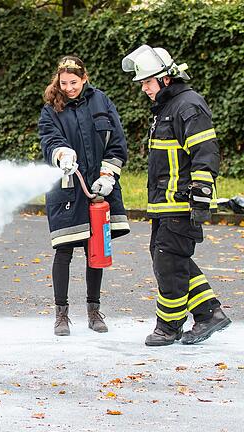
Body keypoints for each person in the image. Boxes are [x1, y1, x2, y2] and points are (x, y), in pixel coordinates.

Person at [122, 45, 231, 346]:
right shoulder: (166, 109)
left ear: (166, 79)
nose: (144, 88)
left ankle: (169, 327)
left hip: (180, 203)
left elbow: (205, 152)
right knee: (170, 260)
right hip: (163, 203)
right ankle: (210, 314)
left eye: (147, 82)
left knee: (169, 262)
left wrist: (200, 194)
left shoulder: (188, 106)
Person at [38, 55, 130, 336]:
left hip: (100, 188)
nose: (68, 88)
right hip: (67, 188)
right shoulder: (51, 108)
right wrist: (61, 154)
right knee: (63, 249)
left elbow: (117, 140)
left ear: (84, 78)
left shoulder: (102, 101)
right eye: (63, 82)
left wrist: (108, 175)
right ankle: (61, 315)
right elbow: (49, 139)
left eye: (74, 82)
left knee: (96, 251)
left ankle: (93, 311)